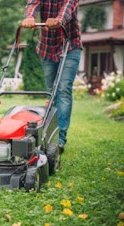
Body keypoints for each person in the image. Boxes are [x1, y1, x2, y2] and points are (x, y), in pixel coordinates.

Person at [22, 0, 82, 153]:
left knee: (63, 89)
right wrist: (30, 17)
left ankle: (60, 139)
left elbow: (68, 6)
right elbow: (33, 4)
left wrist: (59, 20)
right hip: (47, 48)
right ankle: (50, 135)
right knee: (51, 92)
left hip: (70, 46)